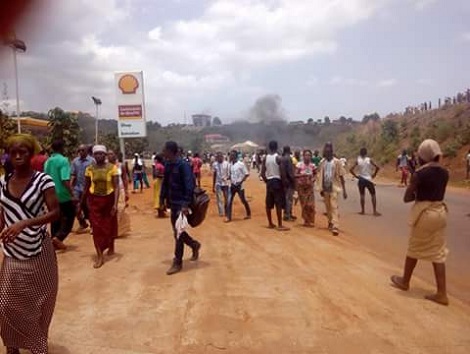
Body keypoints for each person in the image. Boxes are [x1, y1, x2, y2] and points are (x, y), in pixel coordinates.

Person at [0, 134, 60, 354]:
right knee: (6, 304)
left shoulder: (43, 181)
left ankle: (36, 345)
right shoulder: (2, 183)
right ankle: (12, 346)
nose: (17, 156)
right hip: (13, 251)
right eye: (12, 152)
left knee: (38, 303)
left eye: (22, 152)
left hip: (39, 250)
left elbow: (55, 212)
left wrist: (25, 223)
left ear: (31, 154)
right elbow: (2, 213)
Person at [391, 139, 450, 306]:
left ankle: (404, 281)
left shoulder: (419, 174)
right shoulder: (445, 172)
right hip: (440, 212)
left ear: (422, 155)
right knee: (438, 252)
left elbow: (407, 198)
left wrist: (415, 184)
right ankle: (442, 293)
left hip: (424, 213)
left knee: (414, 247)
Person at [160, 141, 201, 275]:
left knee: (178, 232)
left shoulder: (183, 165)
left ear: (170, 151)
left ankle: (177, 262)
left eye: (164, 150)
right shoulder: (168, 165)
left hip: (181, 204)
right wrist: (162, 199)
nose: (163, 152)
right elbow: (165, 184)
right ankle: (194, 245)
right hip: (172, 203)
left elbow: (189, 185)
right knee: (177, 232)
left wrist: (185, 204)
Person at [80, 145, 119, 268]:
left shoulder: (112, 168)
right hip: (94, 201)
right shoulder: (89, 169)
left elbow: (116, 186)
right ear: (93, 155)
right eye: (96, 154)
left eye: (101, 154)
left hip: (109, 199)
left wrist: (115, 204)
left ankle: (110, 244)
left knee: (109, 224)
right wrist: (80, 203)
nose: (99, 156)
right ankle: (100, 256)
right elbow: (86, 187)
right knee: (96, 228)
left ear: (105, 155)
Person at [44, 139, 75, 250]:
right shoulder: (63, 160)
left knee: (55, 217)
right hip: (63, 194)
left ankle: (54, 240)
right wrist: (72, 193)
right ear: (62, 148)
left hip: (50, 193)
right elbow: (65, 179)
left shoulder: (48, 161)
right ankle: (59, 237)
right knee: (70, 216)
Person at [316, 142, 347, 236]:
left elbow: (341, 176)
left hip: (334, 187)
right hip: (325, 187)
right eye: (326, 148)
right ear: (324, 150)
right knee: (328, 207)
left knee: (334, 206)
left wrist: (344, 190)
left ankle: (335, 226)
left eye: (329, 148)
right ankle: (330, 221)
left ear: (332, 150)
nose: (328, 150)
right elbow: (319, 175)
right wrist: (320, 188)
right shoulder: (322, 162)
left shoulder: (337, 162)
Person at [261, 140, 289, 231]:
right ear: (277, 147)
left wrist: (267, 181)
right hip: (277, 181)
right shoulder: (278, 158)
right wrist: (284, 183)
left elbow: (262, 173)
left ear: (269, 147)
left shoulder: (266, 158)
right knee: (278, 203)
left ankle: (270, 223)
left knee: (268, 203)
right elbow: (282, 172)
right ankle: (280, 225)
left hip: (269, 181)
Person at [349, 148, 381, 216]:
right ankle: (374, 211)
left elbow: (351, 169)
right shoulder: (369, 160)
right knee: (373, 195)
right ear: (366, 153)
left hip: (361, 179)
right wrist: (374, 174)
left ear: (360, 153)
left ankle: (363, 211)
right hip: (368, 179)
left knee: (362, 195)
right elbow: (377, 167)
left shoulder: (358, 160)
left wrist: (356, 176)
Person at [71, 144, 94, 233]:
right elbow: (73, 175)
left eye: (83, 150)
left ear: (87, 151)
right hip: (77, 188)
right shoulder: (75, 161)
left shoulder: (92, 161)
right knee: (75, 206)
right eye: (79, 150)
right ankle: (82, 222)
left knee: (89, 207)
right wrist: (71, 187)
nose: (81, 152)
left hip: (89, 188)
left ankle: (93, 225)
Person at [108, 150, 131, 237]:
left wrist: (126, 191)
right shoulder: (105, 166)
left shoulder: (121, 165)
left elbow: (124, 178)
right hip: (109, 191)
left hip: (120, 190)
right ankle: (112, 230)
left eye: (111, 154)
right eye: (108, 154)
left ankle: (117, 230)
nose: (110, 156)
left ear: (115, 155)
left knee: (120, 209)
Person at [226, 150, 251, 222]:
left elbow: (246, 174)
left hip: (240, 186)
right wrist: (228, 178)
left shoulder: (241, 164)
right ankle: (228, 217)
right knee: (229, 201)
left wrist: (241, 181)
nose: (230, 156)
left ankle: (248, 213)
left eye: (232, 155)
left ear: (235, 156)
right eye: (230, 155)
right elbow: (230, 174)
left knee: (243, 200)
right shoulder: (230, 165)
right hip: (232, 185)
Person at [295, 150, 317, 227]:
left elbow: (315, 174)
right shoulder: (299, 165)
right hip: (301, 187)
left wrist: (313, 179)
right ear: (303, 156)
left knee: (310, 204)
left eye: (309, 155)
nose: (307, 157)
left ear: (311, 156)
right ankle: (306, 220)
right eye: (306, 155)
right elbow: (295, 174)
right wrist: (302, 175)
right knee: (304, 204)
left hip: (310, 187)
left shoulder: (313, 166)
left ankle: (311, 220)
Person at [281, 146, 297, 222]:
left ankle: (287, 213)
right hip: (289, 182)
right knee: (289, 199)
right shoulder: (288, 159)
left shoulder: (282, 158)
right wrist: (293, 181)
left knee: (286, 198)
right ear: (289, 150)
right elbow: (290, 172)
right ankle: (288, 215)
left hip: (283, 181)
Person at [212, 152, 230, 217]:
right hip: (218, 183)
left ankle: (227, 210)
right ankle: (221, 212)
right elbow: (214, 175)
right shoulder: (215, 164)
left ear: (222, 157)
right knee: (219, 199)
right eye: (218, 157)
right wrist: (213, 185)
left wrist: (227, 179)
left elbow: (229, 173)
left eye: (220, 157)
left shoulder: (227, 164)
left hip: (225, 183)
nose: (219, 158)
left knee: (227, 198)